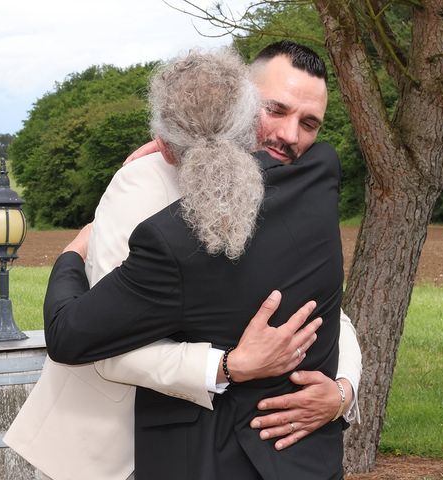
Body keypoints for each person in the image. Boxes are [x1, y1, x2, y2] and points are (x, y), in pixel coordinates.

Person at [45, 48, 348, 479]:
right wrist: (226, 366)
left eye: (309, 123)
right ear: (240, 100)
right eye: (274, 110)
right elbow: (114, 354)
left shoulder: (312, 171)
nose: (289, 135)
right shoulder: (322, 171)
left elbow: (69, 334)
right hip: (157, 442)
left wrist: (72, 252)